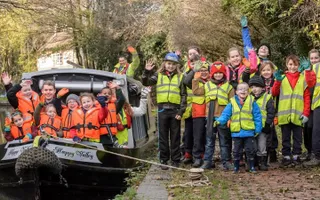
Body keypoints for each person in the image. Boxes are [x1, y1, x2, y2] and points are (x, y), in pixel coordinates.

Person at [142, 53, 187, 169]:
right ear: (164, 64)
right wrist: (146, 71)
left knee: (175, 136)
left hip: (175, 110)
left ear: (176, 65)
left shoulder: (181, 77)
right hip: (162, 109)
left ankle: (176, 160)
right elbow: (146, 82)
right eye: (169, 64)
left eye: (173, 64)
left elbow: (183, 95)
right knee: (163, 136)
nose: (171, 66)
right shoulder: (158, 75)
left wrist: (181, 111)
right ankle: (164, 159)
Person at [272, 55, 315, 167]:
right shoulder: (282, 78)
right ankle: (286, 156)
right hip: (284, 115)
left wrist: (306, 113)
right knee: (285, 137)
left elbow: (306, 97)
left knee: (297, 138)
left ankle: (296, 156)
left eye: (295, 64)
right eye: (290, 64)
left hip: (298, 115)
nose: (293, 67)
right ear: (287, 65)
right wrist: (277, 81)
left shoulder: (303, 79)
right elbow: (274, 93)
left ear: (298, 65)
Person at [192, 61, 235, 170]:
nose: (218, 75)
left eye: (220, 73)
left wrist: (231, 117)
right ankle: (207, 161)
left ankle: (226, 161)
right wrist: (195, 79)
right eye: (216, 73)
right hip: (210, 117)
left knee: (224, 141)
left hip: (223, 117)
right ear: (212, 74)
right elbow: (196, 91)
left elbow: (232, 103)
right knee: (209, 141)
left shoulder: (228, 87)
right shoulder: (207, 85)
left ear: (224, 74)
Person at [215, 82, 262, 173]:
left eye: (245, 89)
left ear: (248, 92)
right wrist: (219, 121)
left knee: (250, 150)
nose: (243, 91)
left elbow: (257, 116)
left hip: (249, 131)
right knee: (236, 151)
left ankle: (251, 166)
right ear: (236, 92)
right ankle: (236, 167)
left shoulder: (252, 102)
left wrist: (258, 128)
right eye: (240, 89)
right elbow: (226, 114)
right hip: (237, 132)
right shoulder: (232, 103)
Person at [181, 46, 206, 164]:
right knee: (188, 132)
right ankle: (188, 153)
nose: (192, 55)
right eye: (190, 54)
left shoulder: (205, 65)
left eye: (194, 53)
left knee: (200, 132)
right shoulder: (185, 68)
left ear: (199, 53)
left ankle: (200, 155)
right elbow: (184, 83)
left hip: (201, 103)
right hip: (189, 105)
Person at [184, 63, 210, 167]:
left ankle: (206, 156)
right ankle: (197, 157)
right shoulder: (194, 81)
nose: (203, 73)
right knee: (197, 135)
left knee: (207, 135)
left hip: (209, 111)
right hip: (198, 111)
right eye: (201, 71)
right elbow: (191, 87)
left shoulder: (212, 82)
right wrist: (194, 75)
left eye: (205, 70)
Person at [249, 76, 275, 171]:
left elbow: (271, 113)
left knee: (262, 145)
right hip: (251, 127)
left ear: (262, 87)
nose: (254, 89)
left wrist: (268, 124)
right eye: (252, 87)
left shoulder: (267, 98)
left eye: (256, 86)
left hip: (263, 127)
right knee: (252, 145)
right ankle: (253, 162)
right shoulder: (249, 98)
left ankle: (262, 162)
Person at [302, 49, 320, 162]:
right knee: (308, 127)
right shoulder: (305, 70)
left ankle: (316, 154)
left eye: (316, 58)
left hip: (317, 102)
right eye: (312, 58)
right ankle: (310, 151)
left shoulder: (318, 68)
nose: (314, 60)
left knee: (316, 129)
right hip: (308, 103)